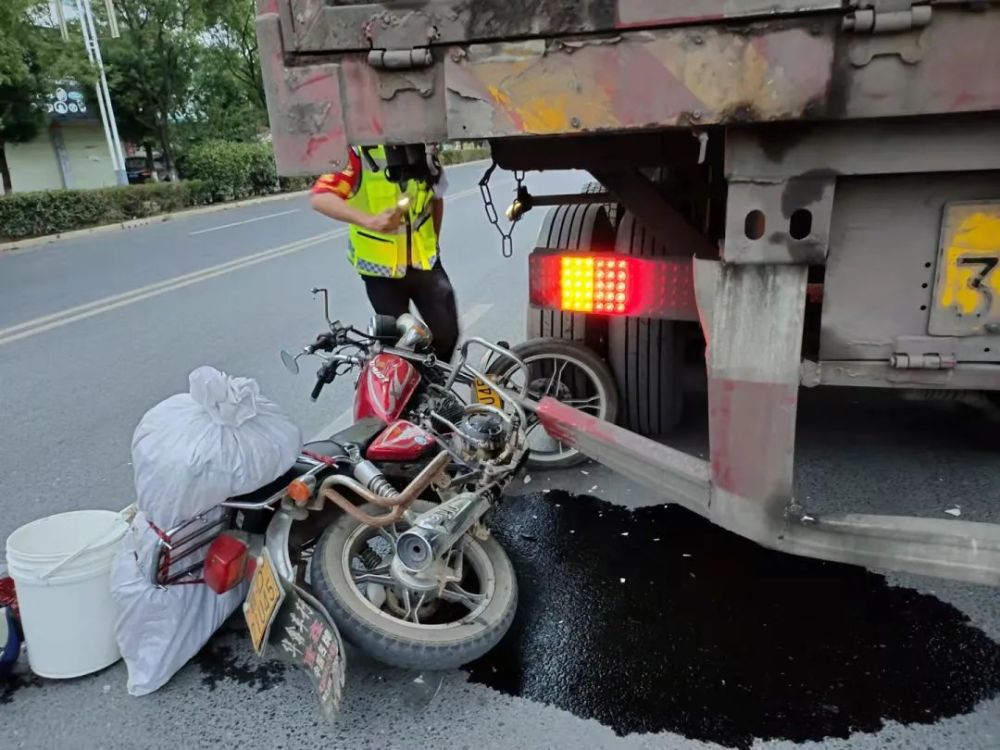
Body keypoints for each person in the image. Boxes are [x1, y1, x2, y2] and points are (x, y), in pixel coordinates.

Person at [309, 145, 459, 362]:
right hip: (380, 272)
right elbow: (321, 197)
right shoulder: (356, 154)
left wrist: (434, 241)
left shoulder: (423, 148)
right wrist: (371, 221)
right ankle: (410, 390)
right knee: (400, 346)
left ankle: (434, 386)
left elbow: (436, 197)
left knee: (447, 334)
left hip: (424, 262)